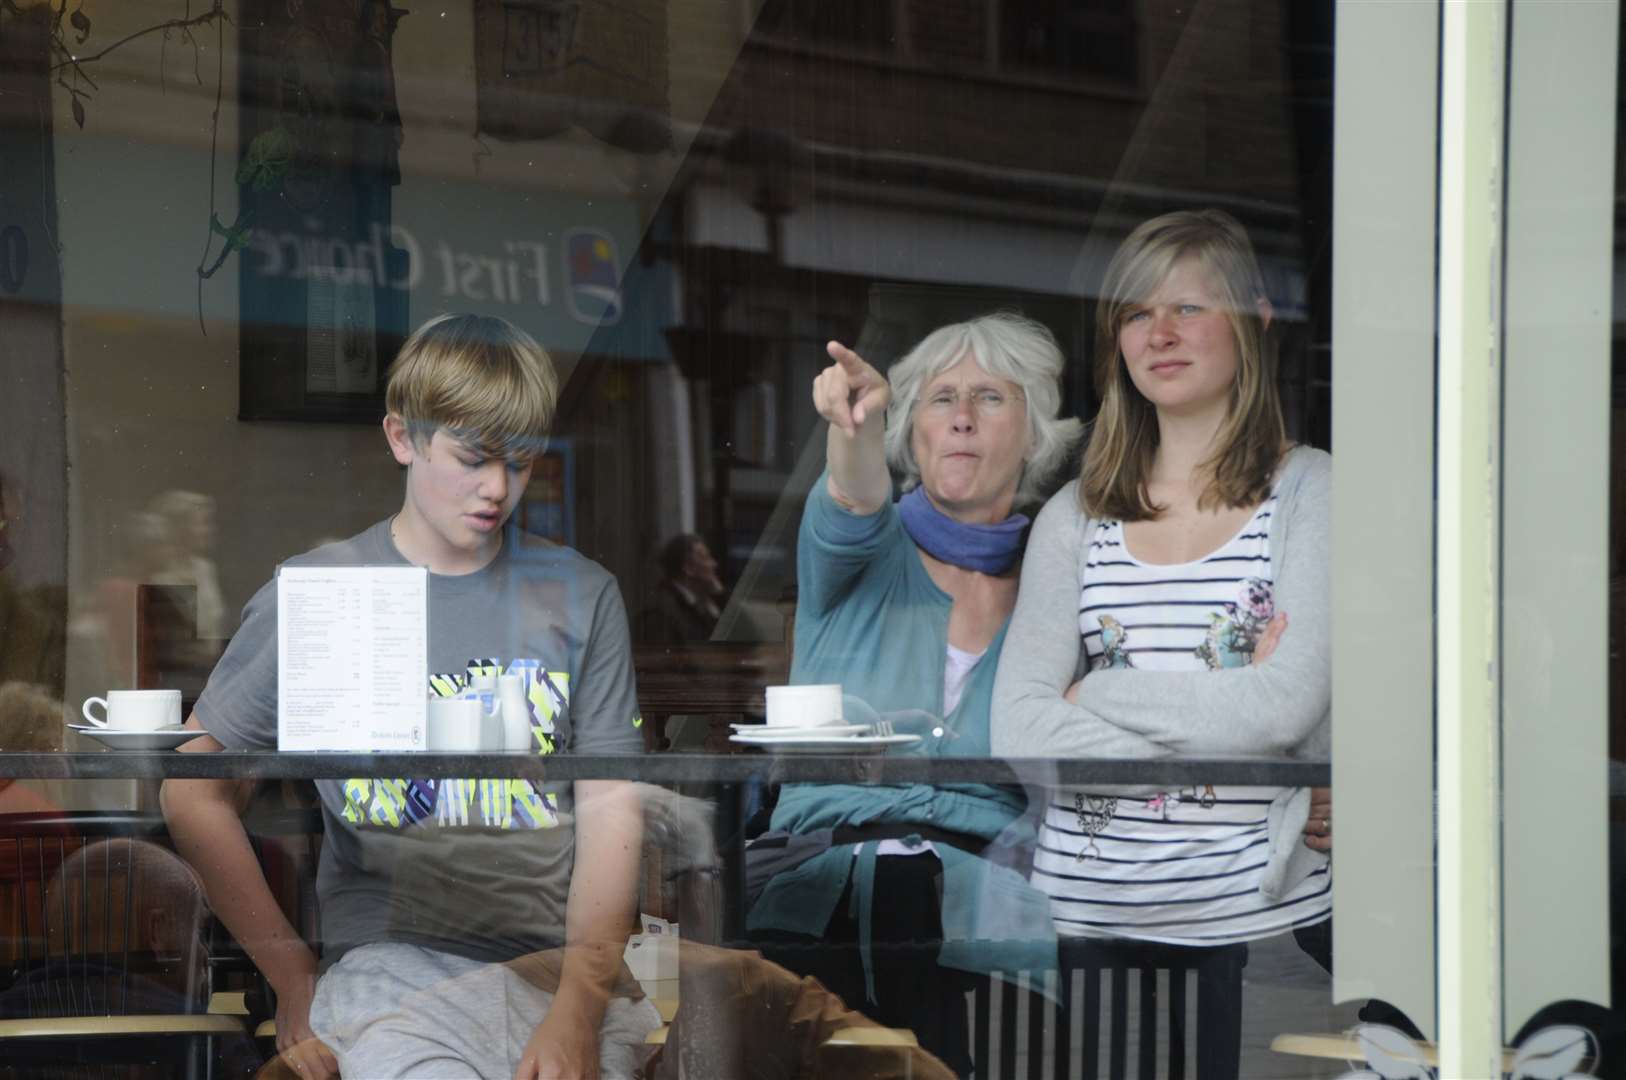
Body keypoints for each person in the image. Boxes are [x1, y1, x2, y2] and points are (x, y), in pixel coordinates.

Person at [160, 313, 658, 1080]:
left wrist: (577, 1008)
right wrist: (291, 975)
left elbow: (612, 812)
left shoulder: (581, 595)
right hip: (390, 971)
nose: (497, 488)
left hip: (557, 974)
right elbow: (194, 791)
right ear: (402, 438)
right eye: (472, 458)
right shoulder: (325, 593)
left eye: (520, 465)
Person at [991, 209, 1331, 1074]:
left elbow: (1284, 706)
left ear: (1256, 322)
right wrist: (1232, 725)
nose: (1161, 333)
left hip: (1258, 927)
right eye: (1137, 314)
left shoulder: (1311, 492)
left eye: (1189, 308)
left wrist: (1096, 691)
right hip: (1081, 919)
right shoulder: (1075, 516)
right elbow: (1018, 730)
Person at [746, 313, 1082, 1075]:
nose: (962, 415)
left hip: (988, 912)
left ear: (1034, 435)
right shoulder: (863, 554)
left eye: (991, 397)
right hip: (822, 886)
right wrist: (857, 424)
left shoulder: (1057, 585)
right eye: (940, 398)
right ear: (911, 430)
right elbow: (854, 490)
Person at [637, 533, 725, 645]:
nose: (714, 564)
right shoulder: (661, 613)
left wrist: (721, 596)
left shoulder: (700, 604)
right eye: (706, 558)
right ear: (688, 568)